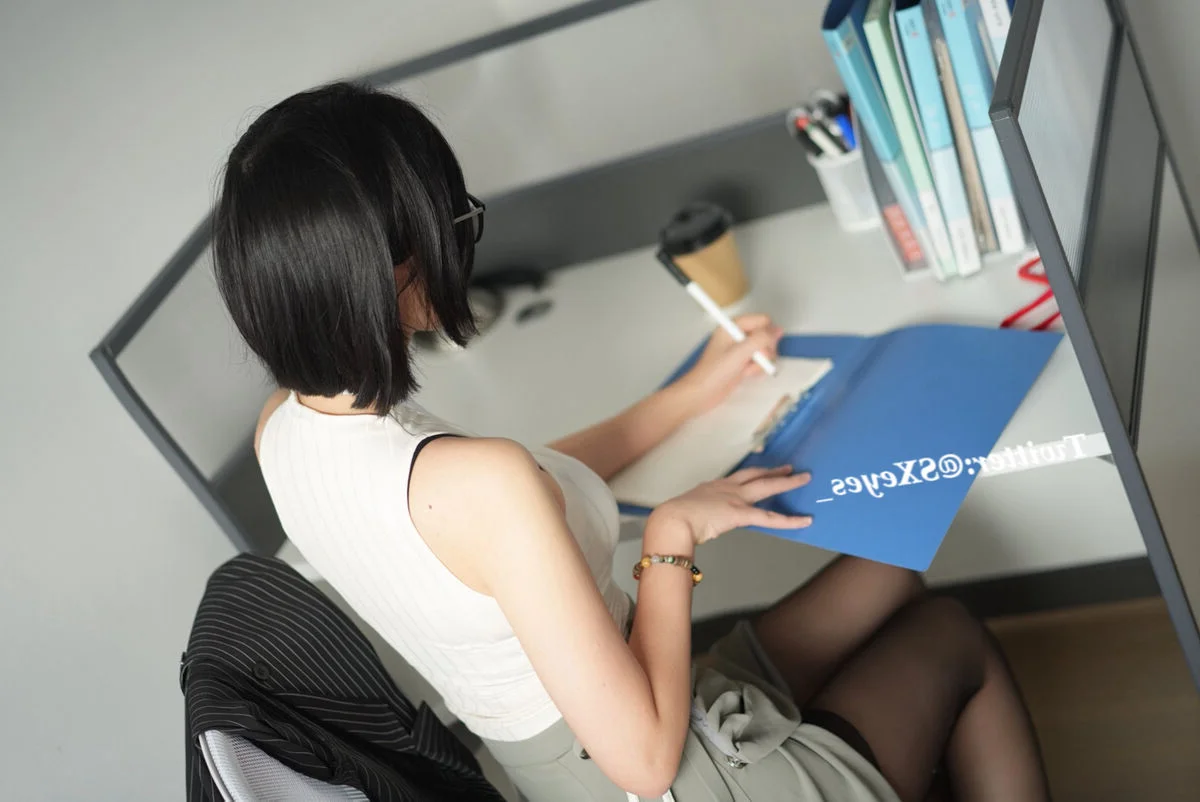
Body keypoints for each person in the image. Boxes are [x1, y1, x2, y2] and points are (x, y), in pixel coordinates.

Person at [213, 82, 1050, 802]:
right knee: (952, 635)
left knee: (893, 568)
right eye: (452, 221)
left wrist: (686, 397)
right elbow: (646, 764)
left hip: (584, 738)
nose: (459, 240)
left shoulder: (283, 429)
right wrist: (670, 537)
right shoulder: (477, 487)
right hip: (653, 761)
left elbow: (513, 502)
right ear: (389, 270)